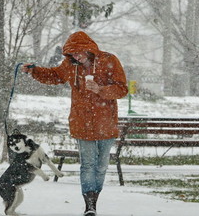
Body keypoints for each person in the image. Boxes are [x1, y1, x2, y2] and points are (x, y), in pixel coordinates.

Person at [22, 31, 128, 216]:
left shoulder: (109, 60)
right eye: (72, 54)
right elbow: (54, 76)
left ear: (89, 49)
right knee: (87, 164)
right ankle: (89, 204)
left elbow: (122, 89)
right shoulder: (70, 65)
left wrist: (101, 89)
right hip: (82, 122)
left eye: (78, 52)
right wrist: (34, 71)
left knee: (101, 166)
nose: (75, 57)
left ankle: (95, 197)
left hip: (105, 122)